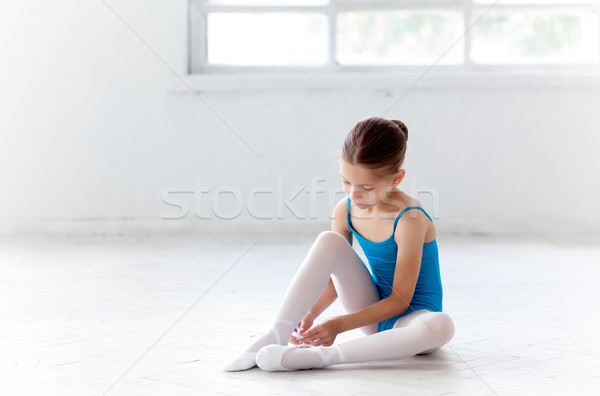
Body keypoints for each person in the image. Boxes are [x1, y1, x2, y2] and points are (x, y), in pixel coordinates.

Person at [222, 116, 455, 372]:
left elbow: (400, 300)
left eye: (366, 187)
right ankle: (276, 333)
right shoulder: (345, 210)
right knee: (329, 241)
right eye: (346, 181)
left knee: (442, 325)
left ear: (397, 179)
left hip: (413, 322)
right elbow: (335, 278)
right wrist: (311, 313)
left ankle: (324, 357)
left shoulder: (410, 218)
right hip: (372, 314)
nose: (353, 194)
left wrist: (338, 325)